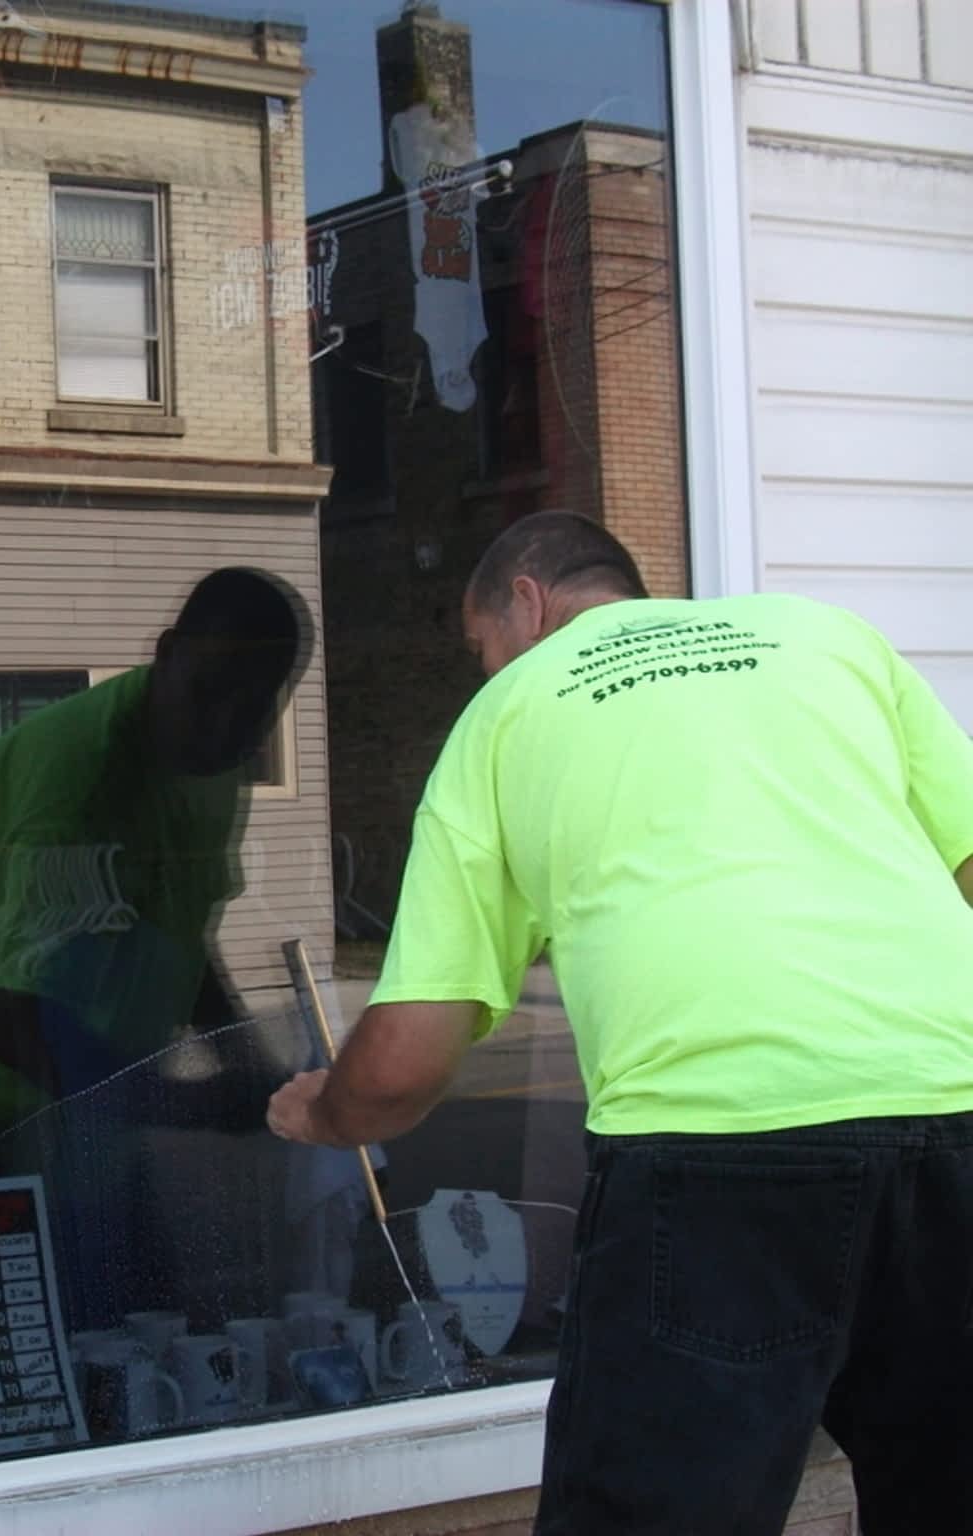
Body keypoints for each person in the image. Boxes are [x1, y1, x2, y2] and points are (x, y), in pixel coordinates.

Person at [265, 510, 973, 1534]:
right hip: (954, 1114)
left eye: (476, 645)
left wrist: (320, 1117)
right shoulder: (827, 639)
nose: (483, 668)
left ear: (524, 599)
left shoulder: (509, 713)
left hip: (717, 1153)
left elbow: (400, 1065)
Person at [0, 567, 308, 1324]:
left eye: (253, 707)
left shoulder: (209, 766)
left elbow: (180, 935)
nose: (224, 727)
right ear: (165, 656)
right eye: (207, 692)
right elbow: (16, 1023)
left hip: (74, 1062)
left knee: (131, 1307)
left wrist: (248, 1064)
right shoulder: (80, 771)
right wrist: (183, 1104)